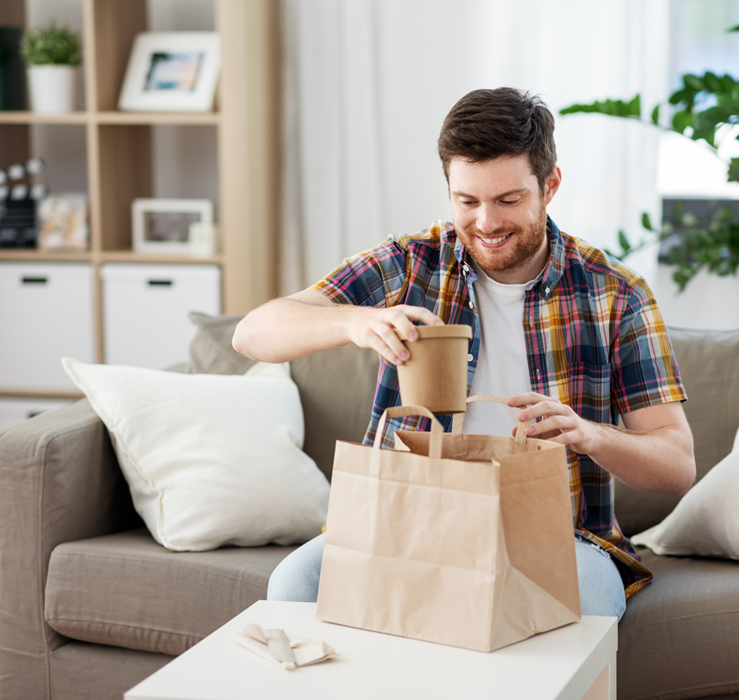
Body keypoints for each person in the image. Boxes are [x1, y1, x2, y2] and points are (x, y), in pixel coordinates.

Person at [232, 87, 696, 620]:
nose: (486, 223)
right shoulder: (411, 265)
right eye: (467, 201)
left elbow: (677, 465)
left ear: (550, 186)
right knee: (295, 582)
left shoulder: (615, 293)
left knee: (586, 605)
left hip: (557, 536)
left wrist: (590, 435)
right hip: (404, 522)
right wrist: (354, 321)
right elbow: (252, 333)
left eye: (508, 200)